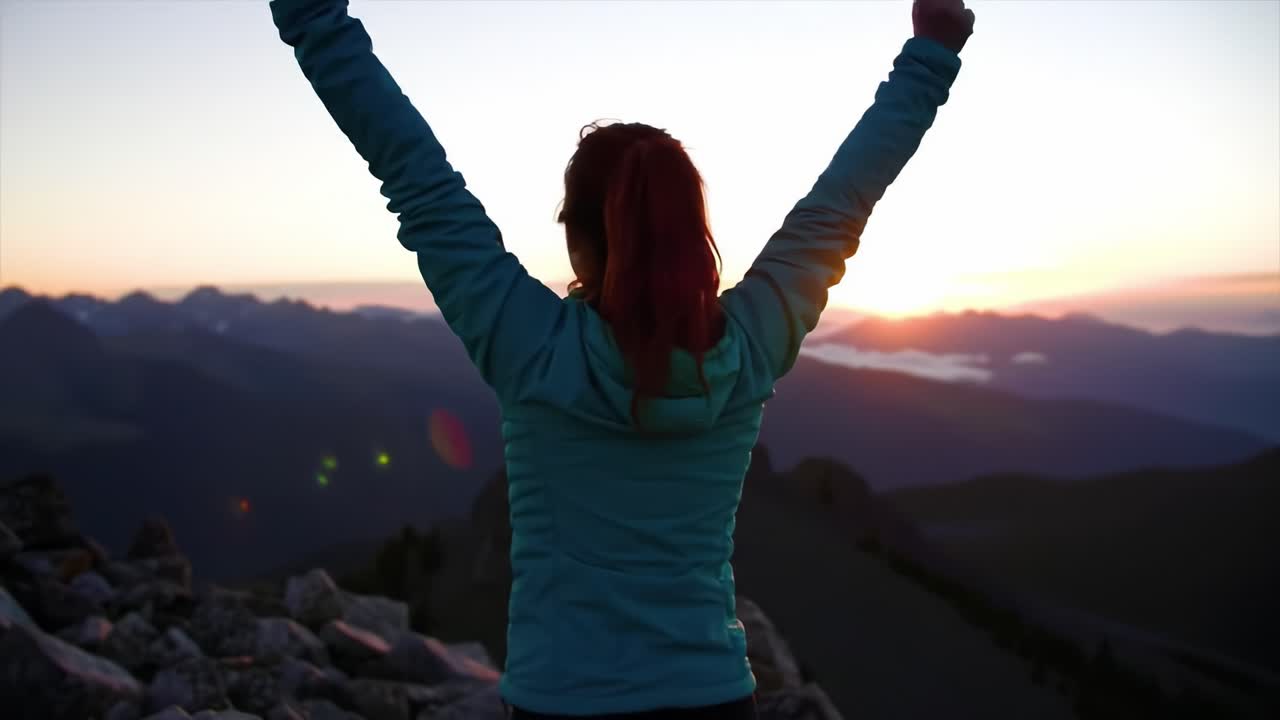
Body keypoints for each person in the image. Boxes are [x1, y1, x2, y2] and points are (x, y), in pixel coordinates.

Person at [269, 0, 974, 717]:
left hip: (562, 702)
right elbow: (841, 204)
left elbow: (415, 173)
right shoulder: (751, 343)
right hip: (713, 698)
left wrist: (312, 16)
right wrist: (932, 53)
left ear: (579, 243)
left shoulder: (531, 346)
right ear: (695, 240)